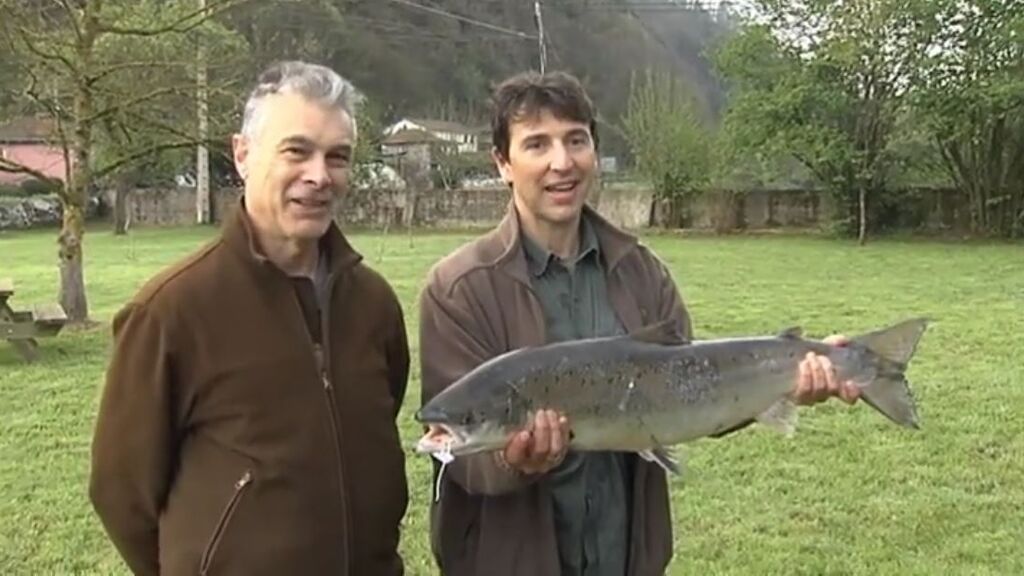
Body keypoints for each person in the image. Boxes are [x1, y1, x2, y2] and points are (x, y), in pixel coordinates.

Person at [417, 70, 860, 576]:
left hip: (627, 557)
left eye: (575, 140)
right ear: (503, 163)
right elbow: (459, 460)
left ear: (594, 152)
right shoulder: (457, 289)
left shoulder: (642, 272)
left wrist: (785, 380)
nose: (561, 162)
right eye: (536, 144)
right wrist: (512, 461)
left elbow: (692, 394)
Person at [89, 61, 410, 576]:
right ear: (242, 153)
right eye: (297, 151)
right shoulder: (171, 312)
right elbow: (121, 491)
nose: (319, 175)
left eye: (338, 157)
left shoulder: (374, 304)